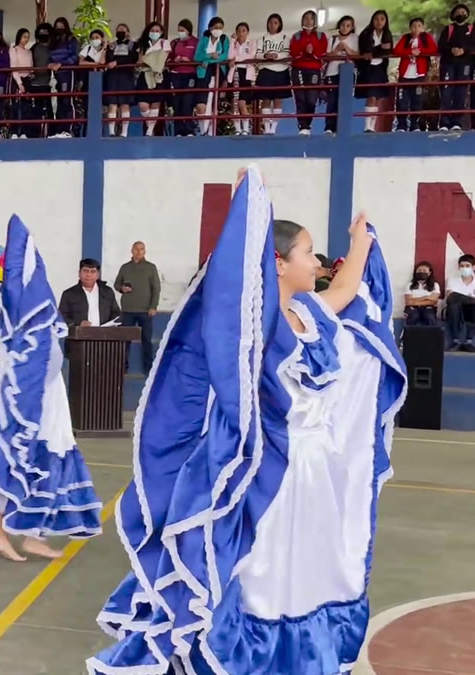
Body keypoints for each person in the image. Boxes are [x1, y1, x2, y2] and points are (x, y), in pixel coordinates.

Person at [89, 165, 407, 675]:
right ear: (277, 264)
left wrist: (362, 241)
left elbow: (345, 290)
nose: (317, 261)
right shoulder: (259, 327)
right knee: (261, 573)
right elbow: (230, 292)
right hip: (273, 471)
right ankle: (241, 657)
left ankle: (295, 656)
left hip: (314, 478)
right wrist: (244, 216)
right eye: (307, 253)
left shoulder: (311, 312)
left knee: (306, 571)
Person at [0, 215, 102, 563]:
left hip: (47, 393)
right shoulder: (16, 309)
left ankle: (32, 534)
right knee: (15, 457)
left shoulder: (33, 311)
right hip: (23, 395)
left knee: (45, 458)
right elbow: (15, 356)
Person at [113, 242, 161, 373]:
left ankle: (148, 368)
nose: (138, 252)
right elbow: (116, 284)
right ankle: (123, 367)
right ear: (132, 250)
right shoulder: (125, 268)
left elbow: (156, 289)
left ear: (145, 251)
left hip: (146, 310)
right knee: (124, 340)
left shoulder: (151, 267)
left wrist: (153, 306)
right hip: (128, 309)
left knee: (146, 340)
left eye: (141, 249)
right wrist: (121, 288)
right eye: (136, 249)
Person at [393, 18, 438, 132]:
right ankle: (401, 125)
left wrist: (421, 51)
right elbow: (396, 51)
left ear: (422, 27)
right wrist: (409, 52)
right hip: (405, 75)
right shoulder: (406, 38)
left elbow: (434, 49)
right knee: (402, 101)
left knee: (417, 100)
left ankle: (415, 125)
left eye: (419, 26)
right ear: (410, 28)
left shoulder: (426, 37)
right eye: (413, 26)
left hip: (419, 75)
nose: (416, 28)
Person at [437, 4, 474, 131]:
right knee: (446, 92)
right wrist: (451, 49)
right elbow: (441, 45)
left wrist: (464, 50)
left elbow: (473, 45)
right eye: (458, 12)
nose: (461, 14)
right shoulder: (448, 29)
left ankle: (457, 122)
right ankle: (444, 123)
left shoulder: (471, 29)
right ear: (453, 15)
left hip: (465, 64)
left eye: (464, 12)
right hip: (448, 64)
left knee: (461, 92)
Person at [357, 11, 394, 134]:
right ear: (372, 20)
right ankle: (367, 126)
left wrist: (374, 52)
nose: (379, 22)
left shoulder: (387, 34)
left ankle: (372, 126)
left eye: (382, 19)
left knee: (378, 98)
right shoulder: (366, 33)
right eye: (376, 19)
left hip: (380, 68)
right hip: (369, 68)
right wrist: (379, 50)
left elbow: (388, 50)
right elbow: (364, 51)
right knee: (371, 96)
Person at [133, 22, 171, 136]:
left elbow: (163, 58)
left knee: (156, 102)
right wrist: (148, 60)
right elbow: (140, 61)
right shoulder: (143, 43)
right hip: (144, 75)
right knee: (143, 105)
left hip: (158, 75)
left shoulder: (165, 43)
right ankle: (149, 124)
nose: (155, 33)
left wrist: (149, 60)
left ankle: (150, 130)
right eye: (152, 30)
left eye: (157, 31)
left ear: (161, 32)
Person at [193, 17, 229, 137]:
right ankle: (203, 130)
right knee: (201, 104)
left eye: (220, 28)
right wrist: (211, 56)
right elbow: (197, 56)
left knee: (214, 102)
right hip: (204, 72)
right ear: (210, 28)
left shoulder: (224, 39)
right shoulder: (204, 40)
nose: (218, 30)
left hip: (219, 71)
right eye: (215, 27)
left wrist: (213, 58)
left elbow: (225, 55)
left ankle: (211, 132)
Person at [59, 258, 120, 328]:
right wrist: (79, 323)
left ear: (98, 275)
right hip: (79, 336)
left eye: (93, 271)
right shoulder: (69, 294)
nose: (88, 274)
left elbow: (116, 315)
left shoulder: (107, 292)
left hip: (104, 336)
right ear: (79, 273)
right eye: (85, 271)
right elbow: (62, 317)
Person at [256, 13, 291, 135]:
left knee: (277, 101)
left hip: (281, 70)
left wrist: (277, 56)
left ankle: (273, 128)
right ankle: (266, 127)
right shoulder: (262, 39)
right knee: (265, 100)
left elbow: (287, 53)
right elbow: (257, 54)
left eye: (275, 23)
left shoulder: (285, 38)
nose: (272, 25)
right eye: (270, 22)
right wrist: (266, 55)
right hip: (266, 70)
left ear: (279, 24)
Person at [324, 16, 359, 135]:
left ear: (352, 27)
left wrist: (347, 49)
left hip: (348, 72)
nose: (345, 28)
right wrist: (337, 50)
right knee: (332, 101)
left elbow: (357, 55)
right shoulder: (332, 39)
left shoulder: (355, 38)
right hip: (332, 72)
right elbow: (326, 56)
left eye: (348, 25)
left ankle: (342, 127)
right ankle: (329, 127)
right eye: (343, 25)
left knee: (344, 100)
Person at [104, 25, 135, 138]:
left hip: (126, 76)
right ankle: (111, 132)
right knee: (112, 103)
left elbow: (132, 58)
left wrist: (117, 63)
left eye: (123, 30)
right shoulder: (112, 45)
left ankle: (124, 132)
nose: (120, 32)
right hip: (112, 76)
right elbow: (108, 59)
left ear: (128, 32)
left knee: (124, 104)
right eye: (118, 30)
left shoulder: (132, 45)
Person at [445, 253, 475, 350]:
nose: (464, 268)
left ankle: (469, 341)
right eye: (462, 266)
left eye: (467, 266)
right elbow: (450, 296)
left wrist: (460, 297)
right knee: (454, 304)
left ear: (473, 267)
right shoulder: (452, 280)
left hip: (470, 311)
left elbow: (455, 296)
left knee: (472, 308)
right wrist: (470, 299)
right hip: (455, 309)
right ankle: (456, 341)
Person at [404, 261, 442, 326]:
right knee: (413, 316)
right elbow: (408, 302)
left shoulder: (435, 285)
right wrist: (426, 297)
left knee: (430, 317)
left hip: (429, 308)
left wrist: (415, 301)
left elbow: (433, 301)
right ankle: (409, 335)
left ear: (429, 273)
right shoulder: (410, 285)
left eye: (424, 270)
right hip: (412, 308)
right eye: (419, 270)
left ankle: (431, 336)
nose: (421, 272)